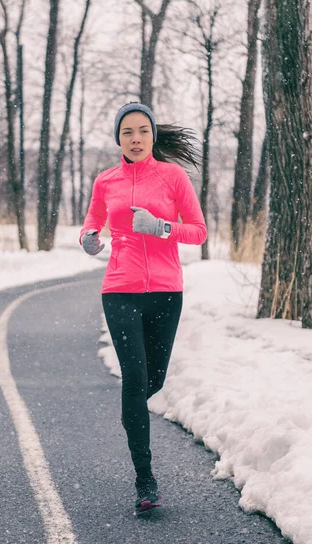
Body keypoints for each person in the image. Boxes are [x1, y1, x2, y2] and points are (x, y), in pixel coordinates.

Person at [79, 101, 207, 513]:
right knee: (135, 377)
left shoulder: (172, 178)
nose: (136, 139)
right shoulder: (106, 180)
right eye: (128, 132)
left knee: (152, 381)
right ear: (118, 138)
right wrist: (88, 238)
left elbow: (199, 232)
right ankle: (145, 480)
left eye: (143, 131)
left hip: (167, 293)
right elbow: (92, 221)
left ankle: (130, 408)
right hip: (119, 289)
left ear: (153, 135)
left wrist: (160, 227)